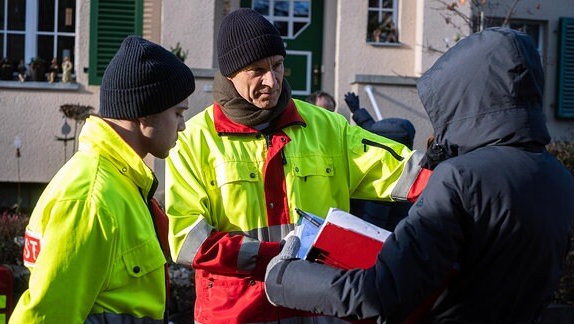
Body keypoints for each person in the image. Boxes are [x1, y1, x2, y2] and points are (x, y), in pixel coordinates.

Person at [264, 27, 574, 323]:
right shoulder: (559, 178)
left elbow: (380, 294)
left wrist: (284, 277)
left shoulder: (460, 178)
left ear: (466, 94)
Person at [165, 8, 429, 324]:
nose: (272, 80)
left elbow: (402, 172)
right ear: (229, 73)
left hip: (318, 310)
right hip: (238, 314)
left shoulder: (329, 127)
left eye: (277, 66)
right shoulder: (193, 140)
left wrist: (459, 179)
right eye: (256, 70)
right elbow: (185, 239)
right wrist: (275, 258)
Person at [10, 35, 196, 322]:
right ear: (145, 112)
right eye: (178, 113)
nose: (183, 126)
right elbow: (47, 317)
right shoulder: (91, 199)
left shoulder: (122, 182)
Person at [344, 91, 416, 231]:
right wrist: (358, 112)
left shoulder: (382, 175)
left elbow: (372, 224)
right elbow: (373, 131)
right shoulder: (407, 164)